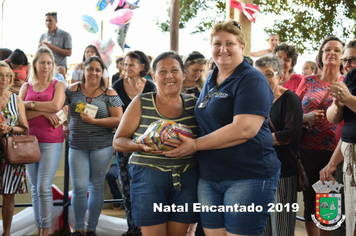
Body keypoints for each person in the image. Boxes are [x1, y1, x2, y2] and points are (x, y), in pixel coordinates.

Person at [164, 20, 280, 236]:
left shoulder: (251, 79)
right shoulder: (210, 78)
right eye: (217, 44)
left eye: (230, 43)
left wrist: (195, 145)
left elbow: (244, 129)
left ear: (242, 47)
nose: (223, 49)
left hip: (247, 175)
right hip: (209, 177)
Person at [113, 51, 199, 236]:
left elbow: (203, 141)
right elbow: (118, 141)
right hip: (148, 179)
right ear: (153, 76)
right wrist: (141, 146)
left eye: (174, 70)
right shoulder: (141, 102)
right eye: (162, 71)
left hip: (185, 179)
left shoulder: (194, 104)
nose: (169, 76)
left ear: (184, 75)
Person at [65, 56, 123, 236]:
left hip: (102, 146)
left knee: (96, 187)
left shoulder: (110, 93)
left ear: (103, 72)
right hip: (76, 145)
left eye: (98, 70)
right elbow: (62, 110)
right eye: (90, 69)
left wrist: (94, 121)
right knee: (79, 188)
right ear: (83, 69)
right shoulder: (71, 90)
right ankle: (78, 229)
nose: (93, 73)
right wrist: (64, 124)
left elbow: (119, 120)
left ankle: (92, 228)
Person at [295, 35, 344, 236]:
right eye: (327, 50)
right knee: (310, 203)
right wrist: (305, 117)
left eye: (337, 50)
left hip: (334, 154)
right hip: (307, 151)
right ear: (320, 56)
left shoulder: (346, 83)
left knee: (329, 203)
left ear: (342, 58)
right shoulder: (306, 81)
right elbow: (293, 114)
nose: (331, 53)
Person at [19, 46, 66, 236]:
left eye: (49, 63)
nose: (46, 66)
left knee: (43, 186)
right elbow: (18, 110)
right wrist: (43, 112)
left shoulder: (58, 84)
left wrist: (30, 106)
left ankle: (44, 231)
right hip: (29, 141)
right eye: (42, 62)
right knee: (34, 187)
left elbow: (56, 105)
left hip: (51, 140)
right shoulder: (26, 86)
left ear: (53, 65)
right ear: (35, 64)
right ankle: (40, 226)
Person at [255, 55, 303, 236]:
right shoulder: (255, 99)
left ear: (280, 76)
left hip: (284, 170)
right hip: (259, 171)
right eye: (259, 75)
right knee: (263, 226)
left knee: (282, 226)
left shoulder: (290, 99)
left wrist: (257, 140)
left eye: (269, 74)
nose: (264, 79)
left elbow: (290, 134)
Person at [112, 50, 156, 236]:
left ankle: (147, 228)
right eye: (125, 64)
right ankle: (132, 228)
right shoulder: (117, 86)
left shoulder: (151, 87)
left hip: (147, 145)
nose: (126, 67)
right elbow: (113, 113)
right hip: (124, 143)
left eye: (131, 64)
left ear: (142, 67)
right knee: (127, 187)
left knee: (147, 187)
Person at [320, 38, 356, 236]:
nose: (347, 64)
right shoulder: (345, 83)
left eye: (352, 60)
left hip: (340, 154)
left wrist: (333, 162)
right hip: (328, 154)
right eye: (346, 60)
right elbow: (336, 119)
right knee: (330, 212)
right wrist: (338, 103)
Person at [0, 61, 29, 236]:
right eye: (0, 75)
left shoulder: (16, 99)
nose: (4, 79)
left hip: (10, 152)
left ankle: (6, 233)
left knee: (9, 195)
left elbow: (25, 128)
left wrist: (9, 128)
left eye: (7, 76)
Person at [39, 12, 72, 79]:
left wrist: (52, 47)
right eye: (46, 20)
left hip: (59, 64)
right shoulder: (43, 36)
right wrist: (41, 48)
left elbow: (69, 53)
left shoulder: (65, 35)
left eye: (50, 20)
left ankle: (63, 88)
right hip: (45, 63)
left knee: (60, 69)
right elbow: (39, 53)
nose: (48, 23)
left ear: (56, 21)